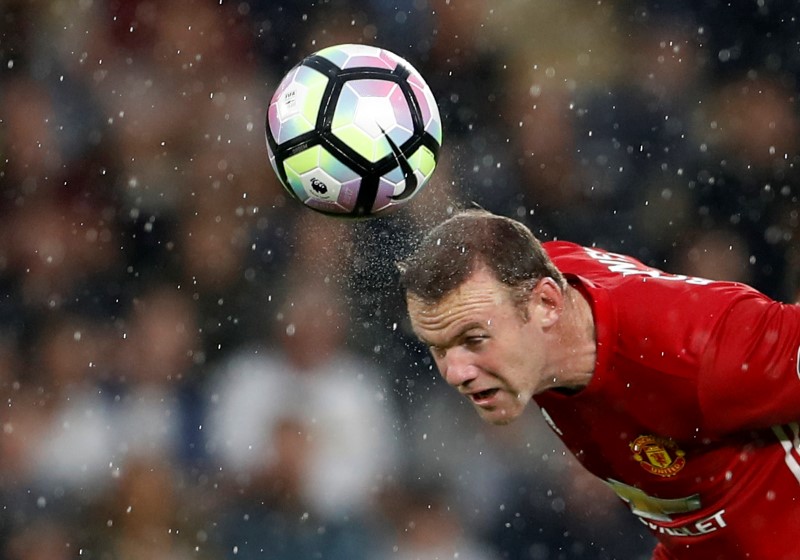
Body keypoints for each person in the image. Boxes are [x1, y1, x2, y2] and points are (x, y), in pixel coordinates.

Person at [396, 208, 800, 560]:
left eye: (473, 340)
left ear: (547, 304)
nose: (455, 372)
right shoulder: (527, 283)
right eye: (438, 347)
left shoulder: (702, 353)